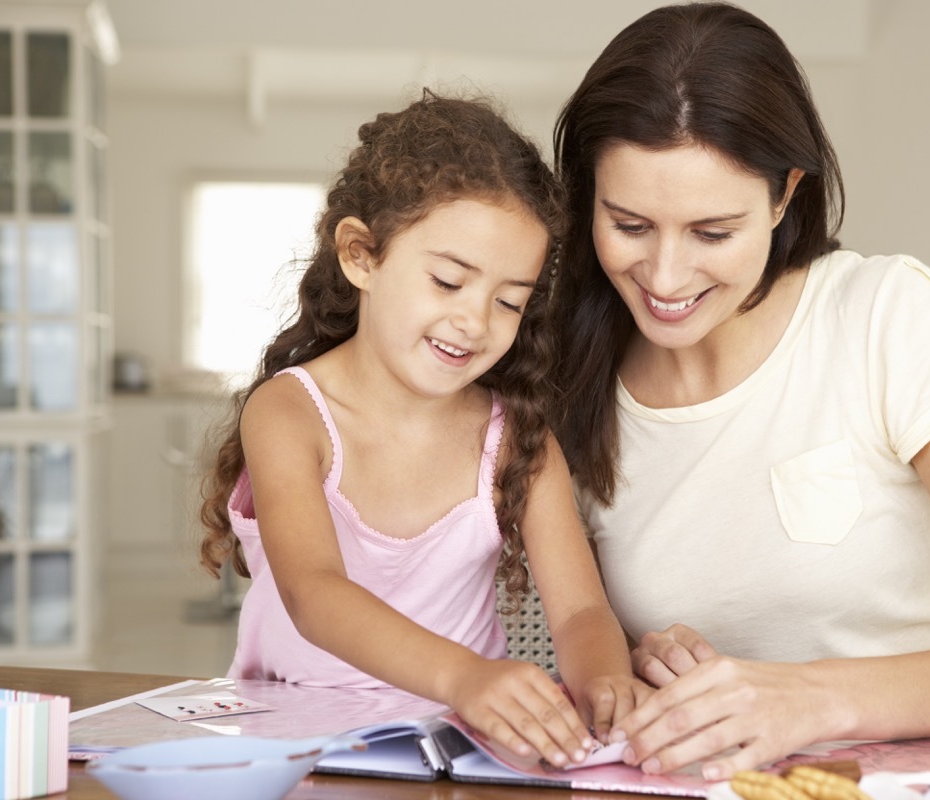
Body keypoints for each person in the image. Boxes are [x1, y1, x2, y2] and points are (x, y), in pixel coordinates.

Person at [550, 1, 930, 782]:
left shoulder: (882, 316)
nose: (664, 278)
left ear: (783, 195)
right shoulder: (571, 378)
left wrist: (807, 699)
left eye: (711, 232)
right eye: (629, 224)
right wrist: (644, 678)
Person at [198, 93, 647, 768]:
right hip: (293, 746)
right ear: (361, 256)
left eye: (508, 302)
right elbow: (313, 594)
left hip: (459, 752)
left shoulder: (516, 439)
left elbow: (582, 611)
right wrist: (465, 677)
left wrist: (606, 684)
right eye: (447, 281)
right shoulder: (289, 413)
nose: (475, 321)